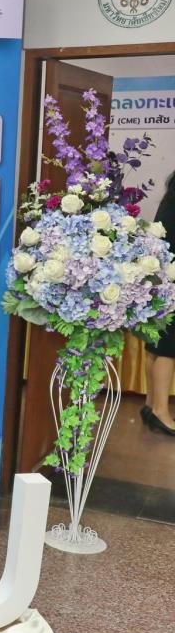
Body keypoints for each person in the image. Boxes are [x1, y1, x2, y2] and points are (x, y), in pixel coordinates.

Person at [143, 170, 175, 435]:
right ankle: (161, 412)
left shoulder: (170, 198)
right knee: (169, 349)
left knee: (156, 345)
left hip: (161, 280)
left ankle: (151, 404)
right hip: (172, 281)